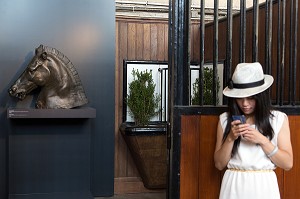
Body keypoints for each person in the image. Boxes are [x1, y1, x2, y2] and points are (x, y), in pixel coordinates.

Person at [214, 62, 293, 199]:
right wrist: (231, 138)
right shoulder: (225, 120)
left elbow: (287, 163)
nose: (245, 103)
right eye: (240, 98)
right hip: (233, 185)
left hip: (264, 186)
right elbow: (219, 164)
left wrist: (262, 140)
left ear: (260, 96)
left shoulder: (278, 119)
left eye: (251, 98)